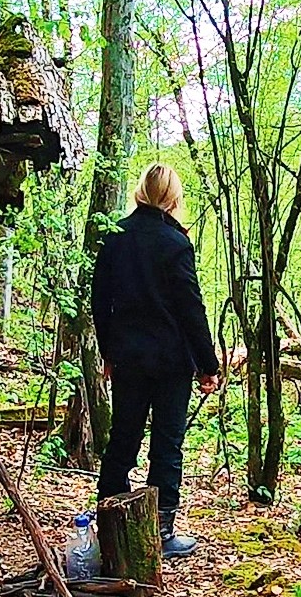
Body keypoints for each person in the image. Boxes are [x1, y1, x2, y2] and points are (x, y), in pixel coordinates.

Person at [91, 163, 221, 559]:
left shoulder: (116, 237)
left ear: (141, 192)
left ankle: (110, 523)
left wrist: (108, 352)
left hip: (128, 358)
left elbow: (100, 303)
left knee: (123, 438)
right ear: (172, 197)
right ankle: (161, 532)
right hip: (170, 363)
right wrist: (208, 364)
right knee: (167, 443)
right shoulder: (175, 243)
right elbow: (190, 308)